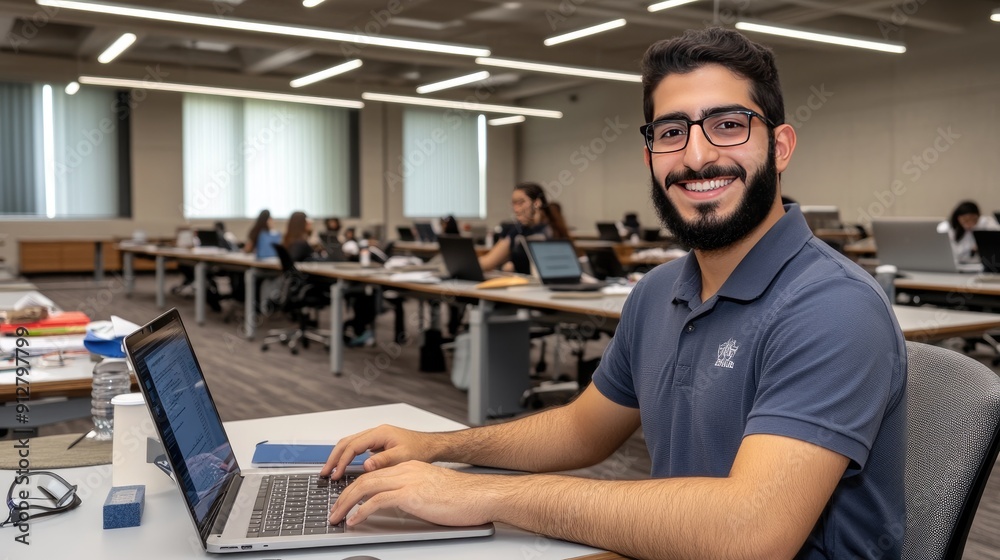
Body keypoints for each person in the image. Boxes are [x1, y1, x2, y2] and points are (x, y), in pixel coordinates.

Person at [320, 27, 907, 559]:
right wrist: (437, 447)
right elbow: (582, 430)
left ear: (780, 147)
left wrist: (484, 495)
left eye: (728, 125)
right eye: (672, 132)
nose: (697, 156)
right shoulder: (657, 292)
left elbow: (750, 533)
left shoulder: (833, 306)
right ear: (651, 156)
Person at [478, 182, 571, 274]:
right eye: (513, 203)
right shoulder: (517, 230)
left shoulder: (551, 231)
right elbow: (488, 262)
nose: (516, 209)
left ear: (537, 203)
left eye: (521, 202)